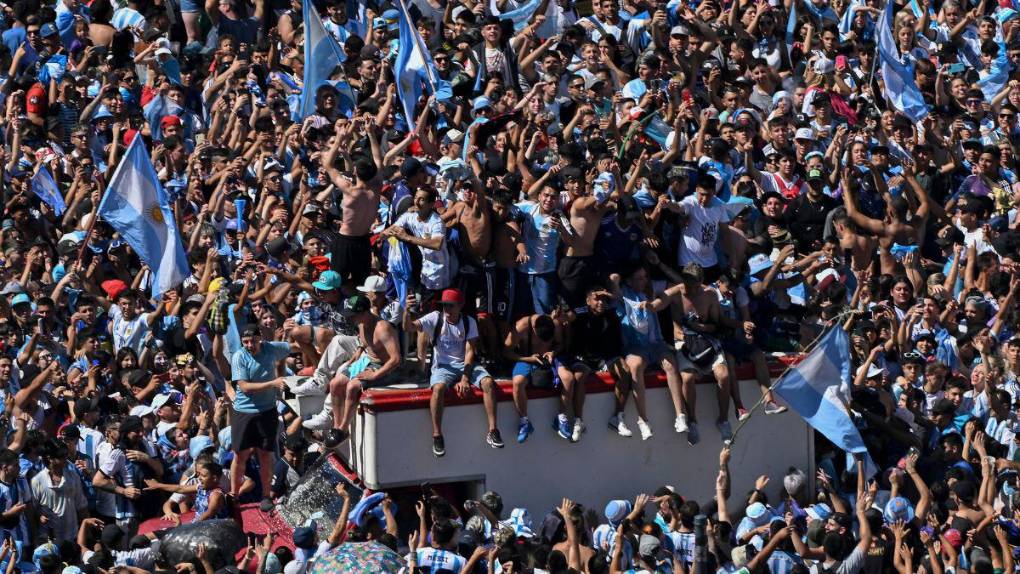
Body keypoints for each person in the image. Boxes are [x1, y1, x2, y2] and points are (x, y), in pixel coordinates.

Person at [404, 288, 503, 457]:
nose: (447, 310)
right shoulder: (435, 317)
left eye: (451, 306)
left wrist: (465, 378)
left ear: (460, 306)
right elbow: (409, 328)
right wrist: (406, 311)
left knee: (488, 383)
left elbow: (470, 351)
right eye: (444, 306)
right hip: (442, 365)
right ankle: (437, 435)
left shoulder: (468, 321)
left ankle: (493, 430)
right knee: (438, 389)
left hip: (464, 364)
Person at [229, 324, 290, 513]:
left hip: (267, 411)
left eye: (253, 341)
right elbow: (245, 387)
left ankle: (266, 495)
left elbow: (291, 347)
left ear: (260, 338)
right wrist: (274, 383)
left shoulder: (270, 348)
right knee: (241, 455)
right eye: (245, 342)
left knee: (265, 454)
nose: (249, 345)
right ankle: (233, 494)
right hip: (244, 412)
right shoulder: (239, 356)